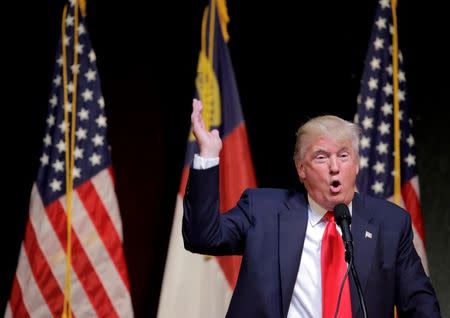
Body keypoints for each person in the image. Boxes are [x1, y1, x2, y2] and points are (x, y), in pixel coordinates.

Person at [183, 98, 440, 317]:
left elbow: (420, 304)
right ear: (301, 169)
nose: (334, 167)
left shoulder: (390, 224)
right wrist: (208, 155)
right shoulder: (263, 211)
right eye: (321, 157)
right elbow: (202, 237)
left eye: (343, 155)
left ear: (357, 164)